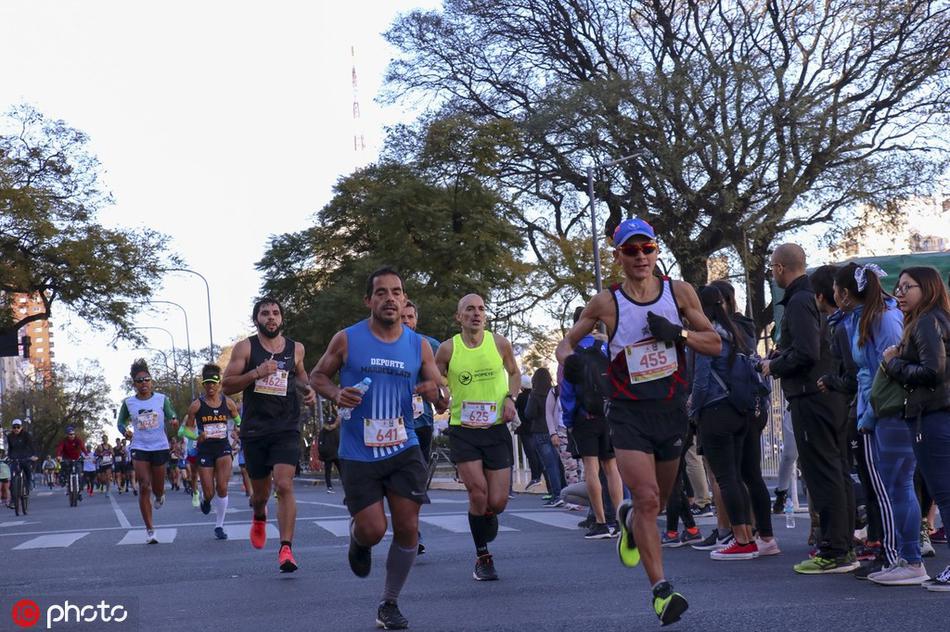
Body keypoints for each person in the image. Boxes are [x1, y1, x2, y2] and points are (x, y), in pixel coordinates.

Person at [556, 218, 720, 626]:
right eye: (631, 250)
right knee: (646, 497)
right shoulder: (606, 303)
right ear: (618, 257)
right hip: (627, 412)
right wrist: (571, 363)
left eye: (647, 248)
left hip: (669, 410)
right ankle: (661, 591)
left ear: (656, 250)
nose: (641, 257)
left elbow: (715, 342)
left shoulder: (679, 292)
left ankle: (630, 520)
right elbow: (565, 344)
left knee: (658, 503)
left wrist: (678, 335)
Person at [311, 267, 448, 630]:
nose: (390, 298)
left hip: (404, 446)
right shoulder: (347, 339)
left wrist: (440, 395)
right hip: (358, 450)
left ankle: (389, 602)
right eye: (382, 292)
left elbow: (441, 392)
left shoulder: (417, 344)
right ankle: (358, 541)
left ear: (404, 300)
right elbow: (317, 376)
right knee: (373, 529)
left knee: (408, 527)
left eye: (397, 292)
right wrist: (337, 393)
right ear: (369, 300)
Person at [761, 243, 858, 575]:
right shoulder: (810, 298)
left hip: (811, 396)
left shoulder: (800, 300)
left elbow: (806, 352)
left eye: (772, 269)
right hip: (827, 395)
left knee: (823, 472)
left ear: (779, 268)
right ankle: (842, 545)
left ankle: (835, 549)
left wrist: (774, 366)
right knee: (836, 469)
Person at [223, 296, 317, 572]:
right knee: (260, 496)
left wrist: (307, 389)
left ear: (282, 318)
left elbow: (300, 375)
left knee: (285, 484)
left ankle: (286, 548)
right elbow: (227, 385)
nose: (271, 317)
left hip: (286, 426)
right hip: (255, 430)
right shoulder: (245, 347)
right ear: (257, 319)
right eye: (265, 313)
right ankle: (259, 514)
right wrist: (256, 373)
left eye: (275, 313)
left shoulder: (295, 348)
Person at [435, 293, 522, 582]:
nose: (476, 313)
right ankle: (483, 556)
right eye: (469, 309)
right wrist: (441, 394)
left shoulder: (499, 343)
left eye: (481, 309)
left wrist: (511, 398)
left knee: (496, 502)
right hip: (463, 430)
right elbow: (437, 378)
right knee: (478, 493)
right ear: (458, 317)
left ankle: (487, 515)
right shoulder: (448, 349)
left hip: (496, 429)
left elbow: (514, 372)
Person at [690, 284, 776, 559]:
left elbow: (702, 381)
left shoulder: (708, 336)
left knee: (727, 477)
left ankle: (741, 539)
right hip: (744, 410)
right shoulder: (740, 332)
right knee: (749, 475)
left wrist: (693, 409)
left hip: (716, 410)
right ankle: (764, 537)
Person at [882, 266, 950, 591]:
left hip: (933, 416)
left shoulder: (926, 321)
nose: (899, 293)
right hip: (937, 414)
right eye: (898, 287)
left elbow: (931, 371)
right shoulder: (937, 319)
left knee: (944, 493)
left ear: (928, 288)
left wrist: (892, 362)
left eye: (907, 287)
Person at [560, 307, 624, 539]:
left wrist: (569, 420)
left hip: (584, 417)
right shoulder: (607, 348)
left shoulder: (571, 352)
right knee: (612, 468)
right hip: (609, 414)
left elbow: (566, 391)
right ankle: (619, 520)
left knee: (591, 469)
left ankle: (599, 521)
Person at [117, 358, 179, 543]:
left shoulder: (162, 399)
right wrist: (124, 431)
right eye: (139, 381)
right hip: (139, 446)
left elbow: (172, 414)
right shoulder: (129, 403)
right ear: (134, 384)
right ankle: (150, 530)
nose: (144, 383)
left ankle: (160, 496)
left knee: (158, 489)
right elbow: (120, 422)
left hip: (159, 446)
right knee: (144, 485)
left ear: (151, 381)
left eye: (147, 379)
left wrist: (174, 420)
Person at [183, 363, 241, 540]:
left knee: (222, 487)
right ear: (203, 384)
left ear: (219, 383)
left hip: (223, 447)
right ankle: (205, 500)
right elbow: (186, 430)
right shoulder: (196, 406)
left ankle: (219, 526)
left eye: (213, 382)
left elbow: (239, 421)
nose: (210, 386)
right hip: (205, 450)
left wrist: (237, 429)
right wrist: (195, 438)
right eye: (207, 383)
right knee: (209, 492)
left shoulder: (228, 403)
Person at [524, 368, 564, 507]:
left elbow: (529, 413)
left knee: (550, 465)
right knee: (560, 464)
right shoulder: (554, 392)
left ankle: (556, 494)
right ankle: (564, 492)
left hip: (540, 432)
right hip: (555, 430)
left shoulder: (535, 395)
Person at [5, 419, 38, 494]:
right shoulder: (10, 436)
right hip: (15, 458)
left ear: (21, 427)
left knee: (27, 470)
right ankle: (13, 500)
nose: (16, 429)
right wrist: (9, 457)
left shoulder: (26, 435)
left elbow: (32, 446)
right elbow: (10, 448)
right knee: (12, 477)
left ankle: (28, 484)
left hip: (25, 457)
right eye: (14, 427)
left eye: (18, 427)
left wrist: (34, 455)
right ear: (12, 428)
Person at [318, 415, 342, 493]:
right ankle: (330, 486)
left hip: (332, 454)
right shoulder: (333, 431)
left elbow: (320, 443)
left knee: (335, 470)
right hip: (332, 454)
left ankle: (330, 486)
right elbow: (320, 444)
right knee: (335, 471)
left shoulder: (334, 431)